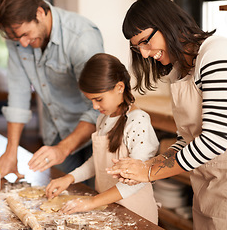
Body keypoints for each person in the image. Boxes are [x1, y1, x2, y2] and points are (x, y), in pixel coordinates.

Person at [107, 0, 227, 229]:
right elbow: (186, 139)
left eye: (145, 41)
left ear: (167, 23)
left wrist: (150, 173)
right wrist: (146, 166)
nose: (143, 53)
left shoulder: (217, 53)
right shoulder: (178, 71)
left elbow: (215, 140)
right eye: (137, 48)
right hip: (206, 186)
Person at [0, 0, 104, 179]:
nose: (23, 44)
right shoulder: (18, 38)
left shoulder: (81, 38)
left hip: (96, 131)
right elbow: (19, 95)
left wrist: (63, 149)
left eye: (26, 34)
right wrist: (11, 153)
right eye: (17, 39)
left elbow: (98, 106)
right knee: (61, 200)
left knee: (95, 200)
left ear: (40, 13)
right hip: (57, 131)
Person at [45, 53, 159, 224]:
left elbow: (138, 179)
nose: (94, 106)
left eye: (98, 99)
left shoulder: (139, 122)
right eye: (91, 100)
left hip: (136, 215)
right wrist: (69, 178)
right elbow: (98, 163)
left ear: (120, 87)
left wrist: (92, 202)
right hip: (109, 209)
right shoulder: (103, 119)